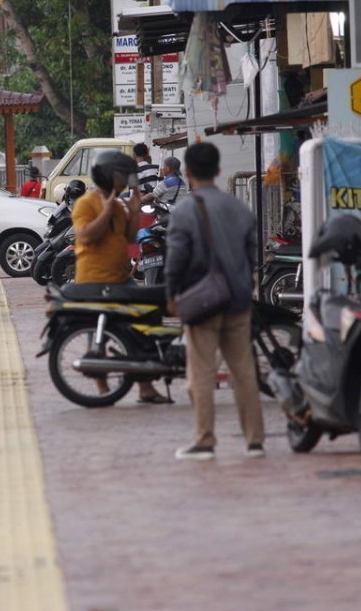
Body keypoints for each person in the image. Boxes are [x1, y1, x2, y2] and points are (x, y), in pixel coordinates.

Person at [165, 142, 264, 460]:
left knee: (201, 373)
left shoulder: (184, 210)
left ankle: (205, 439)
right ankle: (255, 441)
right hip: (238, 300)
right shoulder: (239, 207)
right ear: (219, 171)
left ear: (188, 172)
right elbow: (254, 254)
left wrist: (171, 294)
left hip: (202, 301)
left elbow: (176, 259)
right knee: (244, 372)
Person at [71, 150, 169, 404]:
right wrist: (106, 210)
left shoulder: (115, 204)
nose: (126, 181)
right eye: (122, 176)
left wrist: (134, 211)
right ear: (108, 176)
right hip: (94, 280)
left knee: (140, 324)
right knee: (99, 336)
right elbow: (86, 236)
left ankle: (145, 387)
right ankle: (104, 389)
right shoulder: (85, 203)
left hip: (120, 277)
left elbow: (126, 238)